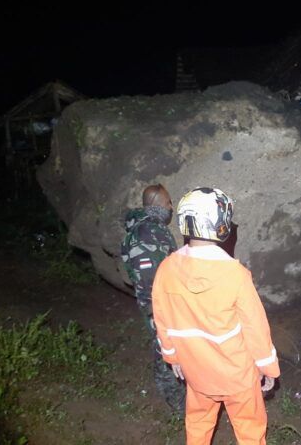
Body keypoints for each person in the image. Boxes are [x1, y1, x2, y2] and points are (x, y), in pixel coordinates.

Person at [152, 187, 280, 445]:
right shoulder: (235, 273)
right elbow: (255, 327)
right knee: (250, 428)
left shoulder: (166, 268)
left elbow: (162, 321)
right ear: (221, 224)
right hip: (237, 374)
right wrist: (268, 367)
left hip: (196, 369)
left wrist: (173, 356)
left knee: (198, 424)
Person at [121, 184, 185, 412]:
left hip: (160, 303)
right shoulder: (147, 233)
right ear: (158, 205)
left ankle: (173, 393)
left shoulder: (149, 229)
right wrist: (158, 310)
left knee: (166, 349)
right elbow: (148, 277)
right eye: (169, 203)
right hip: (159, 306)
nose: (171, 207)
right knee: (166, 352)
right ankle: (177, 403)